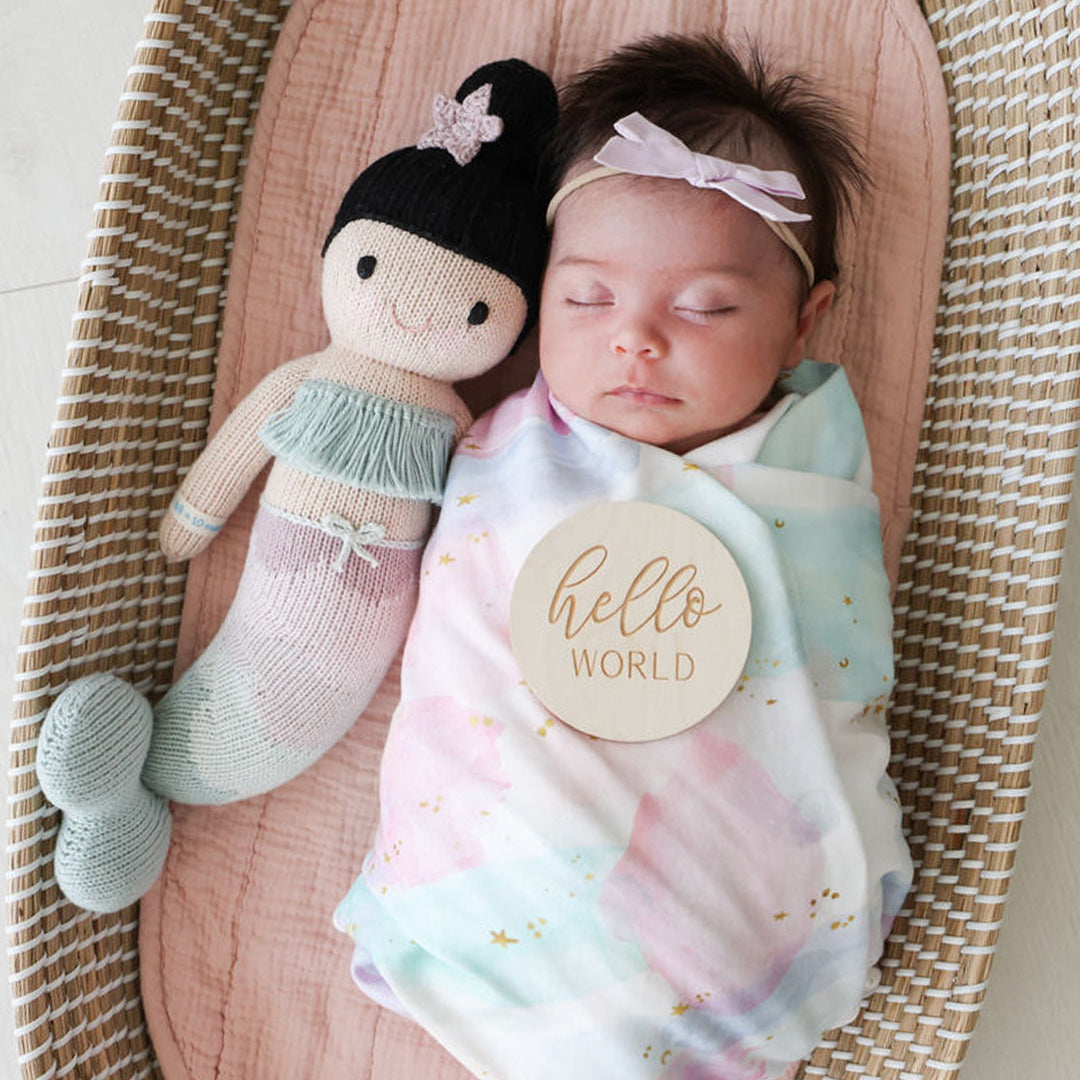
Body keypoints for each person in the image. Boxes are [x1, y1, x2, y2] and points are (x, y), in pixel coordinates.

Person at [336, 33, 913, 1080]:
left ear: (803, 326)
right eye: (588, 298)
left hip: (737, 916)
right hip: (488, 880)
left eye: (705, 307)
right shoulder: (505, 455)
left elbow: (834, 669)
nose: (634, 338)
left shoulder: (808, 487)